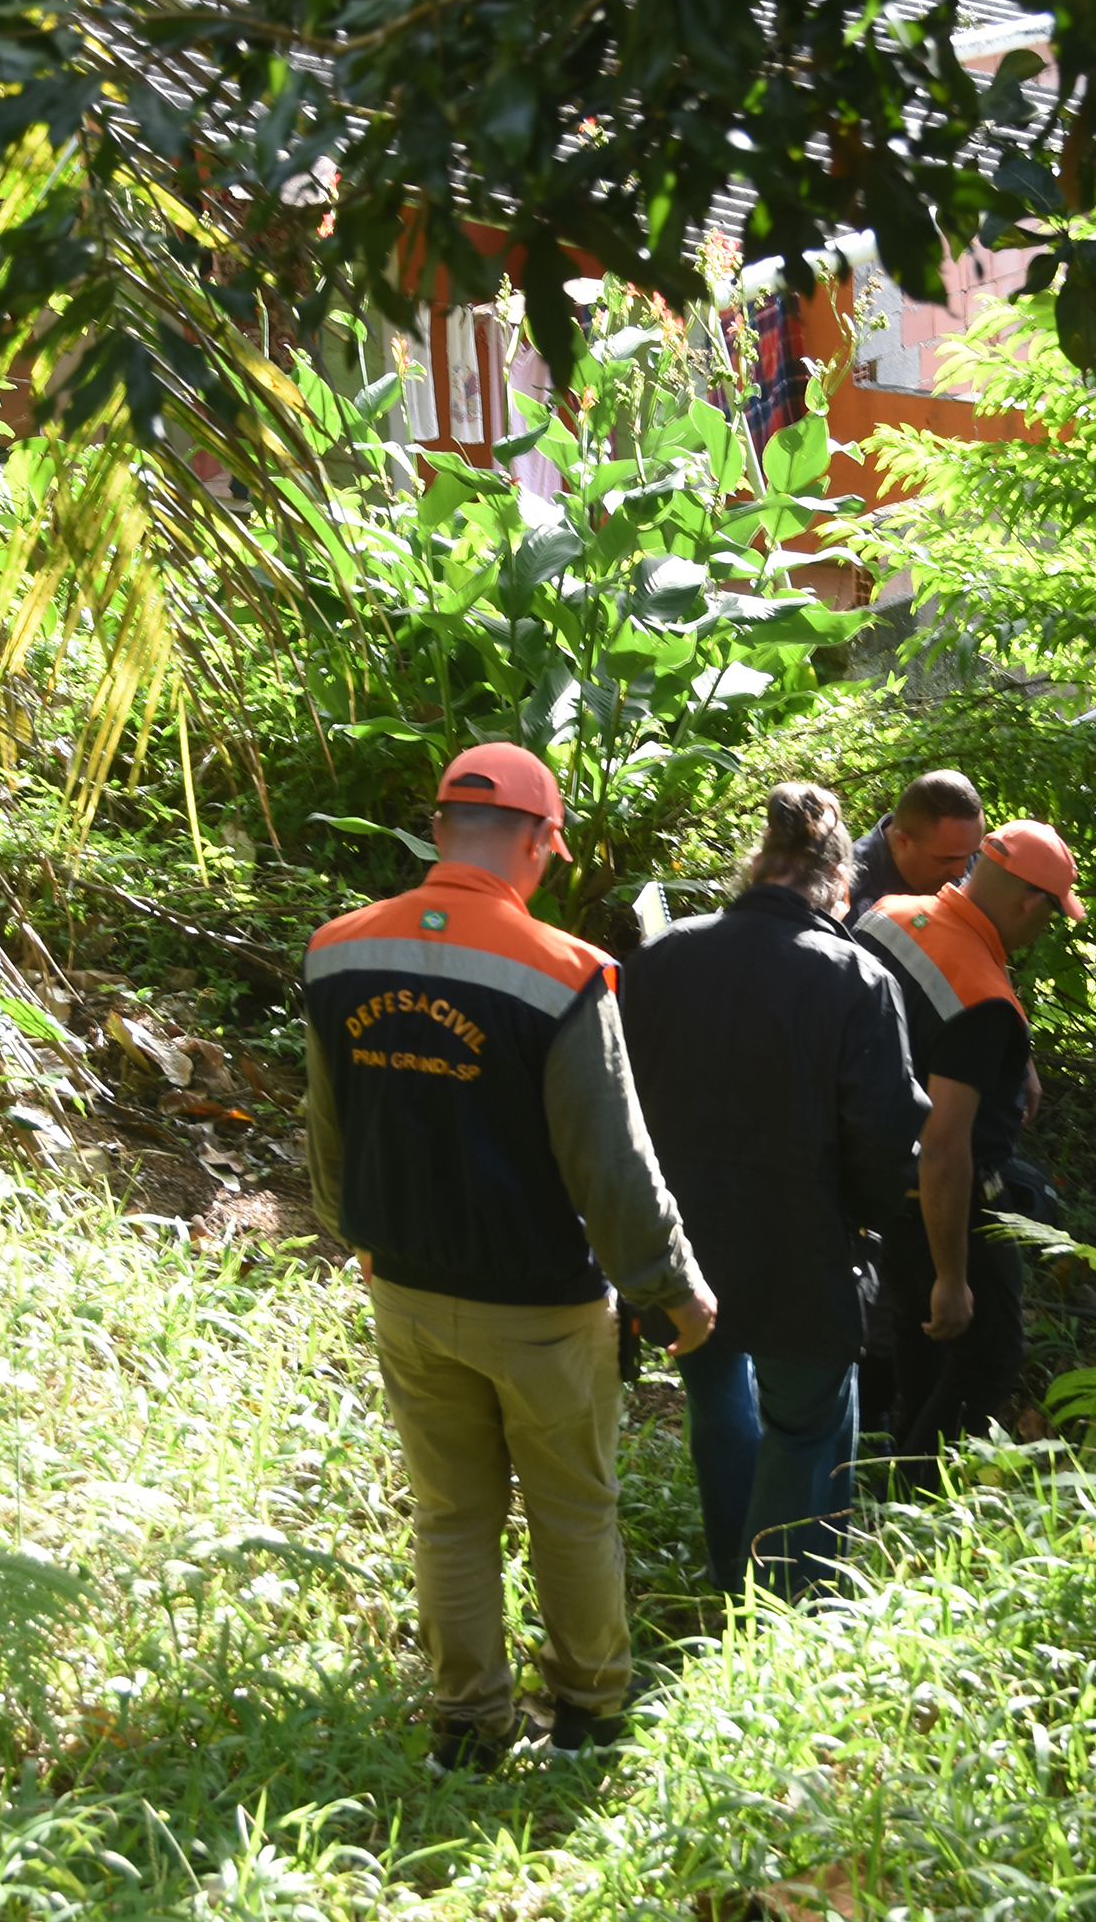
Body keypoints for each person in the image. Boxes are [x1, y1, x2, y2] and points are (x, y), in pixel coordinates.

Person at [301, 742, 718, 1775]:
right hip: (538, 1301)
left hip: (403, 1285)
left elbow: (328, 1128)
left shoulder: (337, 951)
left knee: (450, 1514)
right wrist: (672, 1287)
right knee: (572, 1511)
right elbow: (612, 1164)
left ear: (440, 829)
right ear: (537, 843)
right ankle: (587, 1719)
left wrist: (355, 1233)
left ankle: (468, 1728)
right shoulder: (564, 973)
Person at [620, 783, 928, 1597]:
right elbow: (887, 1136)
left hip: (682, 1241)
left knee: (718, 1394)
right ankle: (787, 1600)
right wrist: (861, 1225)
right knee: (811, 1419)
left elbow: (623, 1103)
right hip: (803, 1244)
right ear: (841, 881)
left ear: (758, 862)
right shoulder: (858, 978)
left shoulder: (664, 956)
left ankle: (732, 1574)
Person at [855, 821, 1086, 1472]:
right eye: (1051, 916)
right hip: (944, 1201)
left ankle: (888, 1484)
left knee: (916, 1345)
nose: (1045, 930)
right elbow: (948, 1145)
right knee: (987, 1357)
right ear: (1030, 904)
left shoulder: (888, 915)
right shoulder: (983, 999)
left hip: (870, 1181)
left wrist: (1017, 1060)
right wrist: (954, 1278)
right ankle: (917, 1500)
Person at [845, 769, 984, 925]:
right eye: (947, 860)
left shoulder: (963, 855)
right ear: (903, 841)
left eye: (971, 855)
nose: (960, 872)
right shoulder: (847, 888)